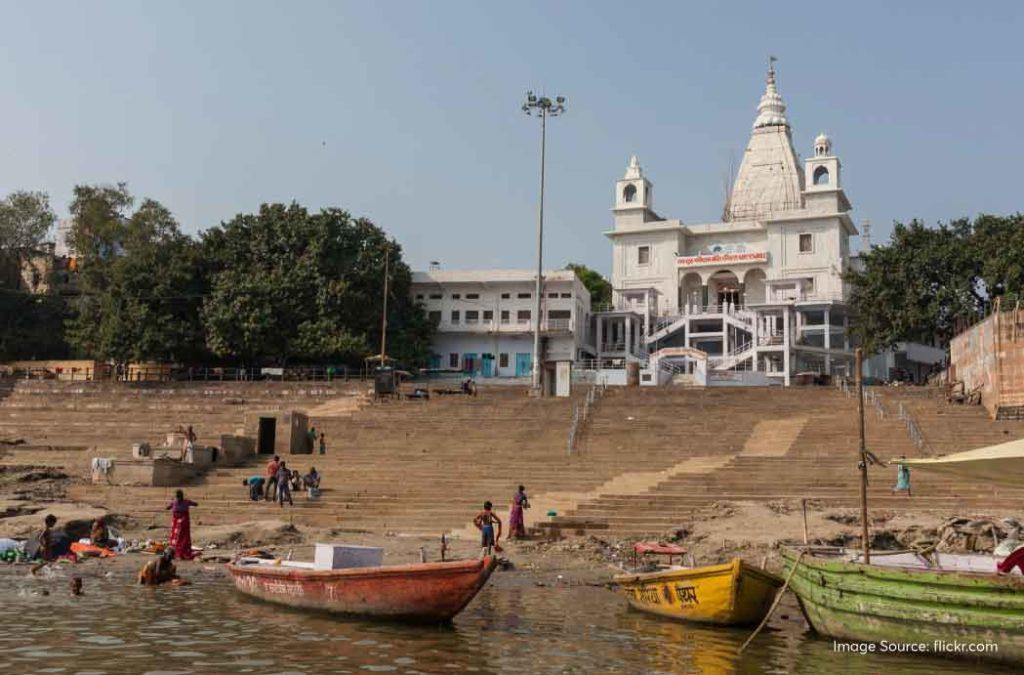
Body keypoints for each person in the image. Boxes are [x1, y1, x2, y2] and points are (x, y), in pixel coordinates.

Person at [166, 489, 197, 560]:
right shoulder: (174, 502)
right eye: (177, 496)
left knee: (182, 537)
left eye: (178, 496)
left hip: (183, 522)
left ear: (181, 496)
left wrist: (194, 504)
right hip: (176, 523)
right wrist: (168, 507)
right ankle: (175, 552)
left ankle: (181, 552)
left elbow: (195, 504)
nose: (177, 498)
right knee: (175, 537)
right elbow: (169, 506)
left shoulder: (186, 502)